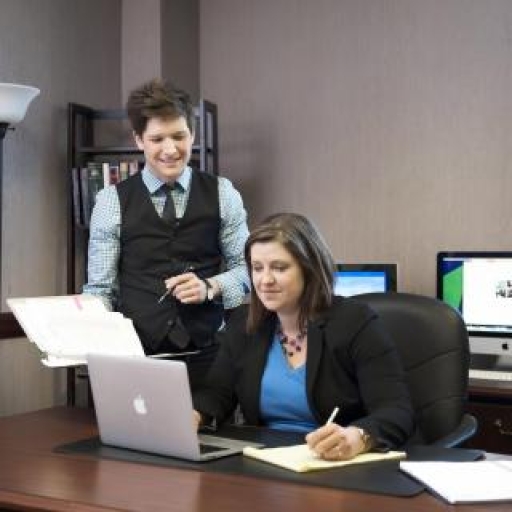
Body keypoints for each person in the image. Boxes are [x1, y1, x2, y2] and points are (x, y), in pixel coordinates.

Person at [193, 213, 414, 460]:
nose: (265, 280)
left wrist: (357, 437)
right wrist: (195, 415)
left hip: (334, 462)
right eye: (257, 268)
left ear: (309, 269)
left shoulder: (355, 322)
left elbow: (396, 411)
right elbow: (216, 394)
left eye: (279, 268)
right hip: (266, 459)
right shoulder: (244, 324)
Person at [83, 78, 250, 390]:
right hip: (135, 357)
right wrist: (82, 335)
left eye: (179, 136)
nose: (170, 150)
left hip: (209, 356)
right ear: (139, 140)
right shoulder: (110, 202)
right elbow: (101, 290)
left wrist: (210, 286)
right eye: (157, 139)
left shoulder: (223, 193)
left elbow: (248, 270)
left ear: (193, 134)